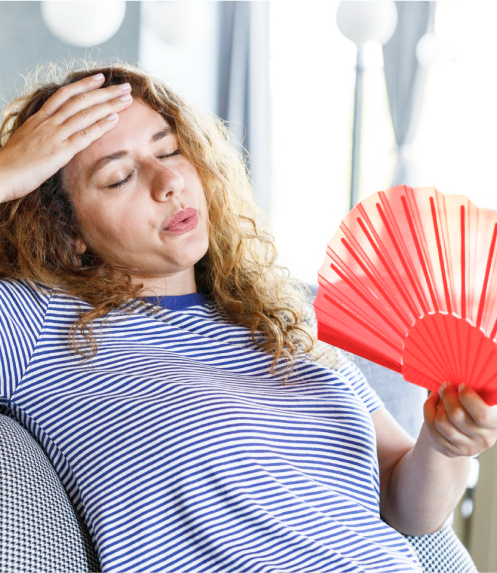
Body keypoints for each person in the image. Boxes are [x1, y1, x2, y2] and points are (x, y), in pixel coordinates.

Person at [0, 60, 495, 573]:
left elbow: (410, 509)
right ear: (67, 230)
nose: (169, 179)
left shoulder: (284, 322)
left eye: (170, 149)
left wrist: (445, 444)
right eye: (119, 177)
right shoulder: (35, 323)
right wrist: (6, 173)